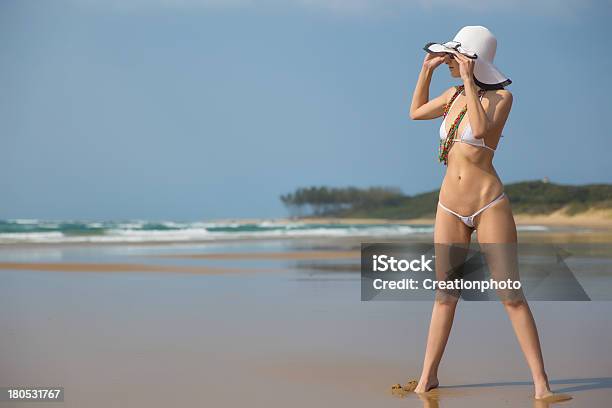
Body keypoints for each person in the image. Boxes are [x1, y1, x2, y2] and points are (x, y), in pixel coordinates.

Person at [405, 26, 571, 403]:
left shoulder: (502, 99)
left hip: (488, 204)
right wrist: (427, 71)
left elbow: (479, 131)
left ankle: (541, 384)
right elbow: (414, 113)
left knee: (510, 295)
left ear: (474, 60)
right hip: (449, 204)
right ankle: (426, 378)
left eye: (455, 56)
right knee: (445, 295)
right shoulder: (450, 97)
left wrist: (467, 76)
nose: (450, 61)